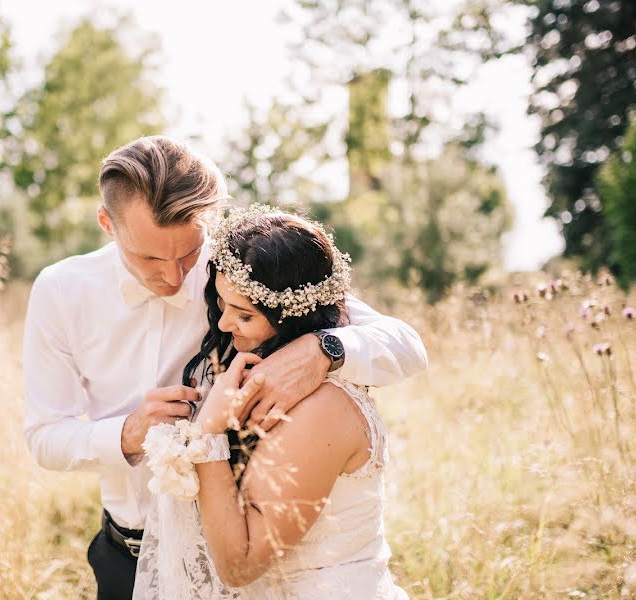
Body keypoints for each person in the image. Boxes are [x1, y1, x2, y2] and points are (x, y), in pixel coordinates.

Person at [22, 136, 426, 600]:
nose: (173, 279)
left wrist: (321, 349)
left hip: (234, 556)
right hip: (125, 554)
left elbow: (407, 344)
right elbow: (44, 438)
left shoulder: (241, 272)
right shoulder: (60, 292)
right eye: (149, 258)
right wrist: (129, 433)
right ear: (106, 224)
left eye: (187, 255)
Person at [134, 205, 408, 599]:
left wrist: (209, 432)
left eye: (244, 316)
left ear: (292, 318)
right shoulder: (260, 377)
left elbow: (239, 564)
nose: (225, 324)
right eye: (222, 304)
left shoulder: (323, 409)